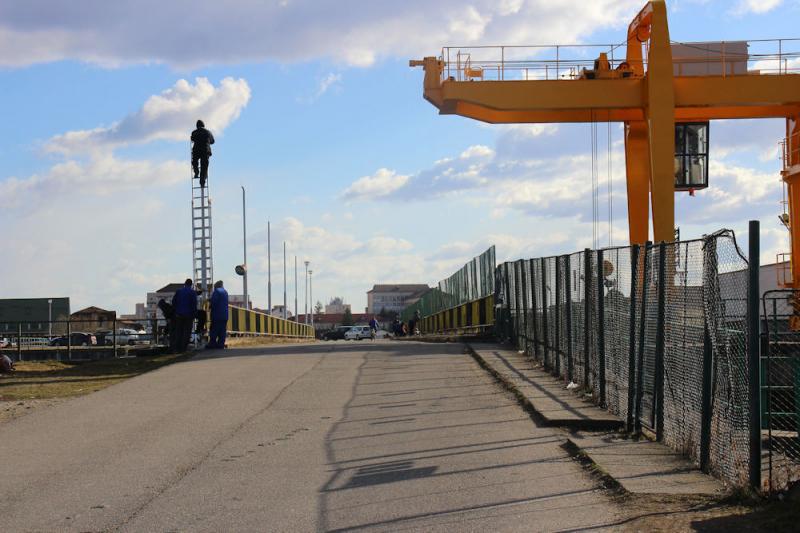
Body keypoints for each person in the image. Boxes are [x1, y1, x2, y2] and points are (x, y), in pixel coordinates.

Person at [171, 278, 198, 353]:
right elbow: (194, 304)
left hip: (179, 315)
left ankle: (176, 348)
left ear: (184, 283)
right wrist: (195, 313)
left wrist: (176, 311)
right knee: (187, 332)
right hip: (189, 315)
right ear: (191, 284)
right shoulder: (192, 292)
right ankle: (183, 349)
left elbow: (173, 302)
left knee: (178, 331)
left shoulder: (179, 291)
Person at [191, 120, 215, 187]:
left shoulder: (194, 132)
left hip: (196, 150)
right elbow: (213, 141)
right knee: (204, 166)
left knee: (194, 162)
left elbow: (192, 139)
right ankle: (202, 182)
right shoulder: (208, 132)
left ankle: (196, 172)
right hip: (205, 150)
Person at [208, 280, 229, 349]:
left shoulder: (216, 291)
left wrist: (209, 305)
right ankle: (221, 344)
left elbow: (214, 302)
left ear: (216, 286)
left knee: (214, 330)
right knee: (222, 331)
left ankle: (212, 344)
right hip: (225, 315)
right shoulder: (225, 292)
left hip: (217, 315)